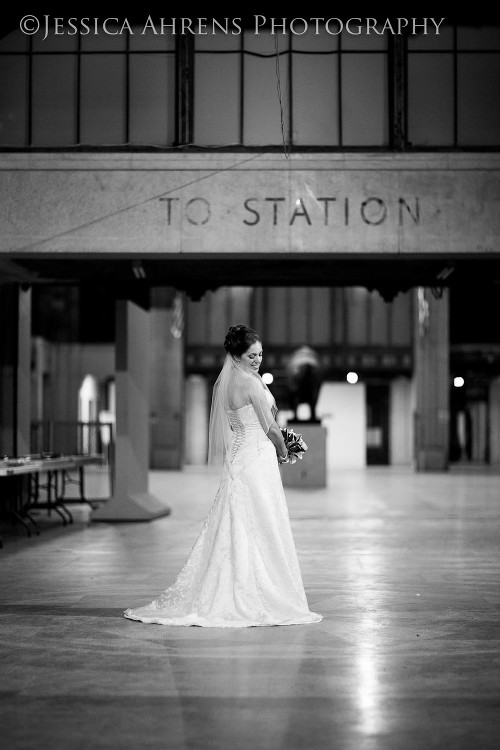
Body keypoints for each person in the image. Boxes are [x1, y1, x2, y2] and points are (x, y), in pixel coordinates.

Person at [124, 324, 322, 628]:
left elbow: (239, 426)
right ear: (238, 356)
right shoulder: (252, 385)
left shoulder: (228, 385)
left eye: (260, 354)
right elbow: (270, 428)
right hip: (256, 460)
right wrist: (285, 451)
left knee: (238, 520)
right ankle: (255, 590)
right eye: (252, 355)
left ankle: (234, 582)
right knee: (262, 520)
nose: (257, 359)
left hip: (240, 459)